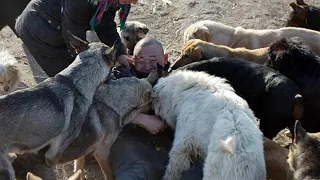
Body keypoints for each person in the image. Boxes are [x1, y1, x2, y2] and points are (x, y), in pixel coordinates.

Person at [109, 37, 203, 180]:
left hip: (174, 148)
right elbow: (105, 105)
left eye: (153, 60)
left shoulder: (180, 78)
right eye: (140, 60)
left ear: (165, 58)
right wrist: (140, 119)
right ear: (132, 60)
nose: (147, 66)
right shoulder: (121, 77)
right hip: (134, 146)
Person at [15, 0, 136, 77]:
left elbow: (106, 25)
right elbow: (73, 36)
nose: (135, 2)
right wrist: (92, 64)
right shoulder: (79, 2)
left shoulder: (111, 2)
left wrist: (120, 53)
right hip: (38, 27)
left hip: (62, 27)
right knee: (66, 78)